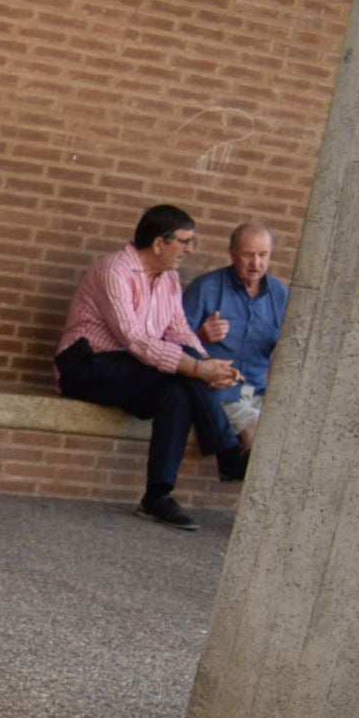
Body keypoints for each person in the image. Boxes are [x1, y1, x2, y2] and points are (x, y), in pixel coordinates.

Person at [54, 204, 248, 531]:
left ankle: (157, 496)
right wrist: (198, 370)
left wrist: (207, 363)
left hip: (133, 372)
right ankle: (228, 454)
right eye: (185, 241)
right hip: (86, 368)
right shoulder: (114, 271)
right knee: (180, 373)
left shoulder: (169, 278)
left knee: (177, 393)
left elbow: (179, 331)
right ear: (159, 243)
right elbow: (134, 339)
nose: (190, 249)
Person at [181, 220, 287, 452]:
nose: (256, 263)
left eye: (263, 255)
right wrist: (200, 335)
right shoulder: (206, 288)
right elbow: (172, 342)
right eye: (248, 255)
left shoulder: (280, 295)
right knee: (260, 441)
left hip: (260, 392)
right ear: (232, 253)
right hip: (219, 392)